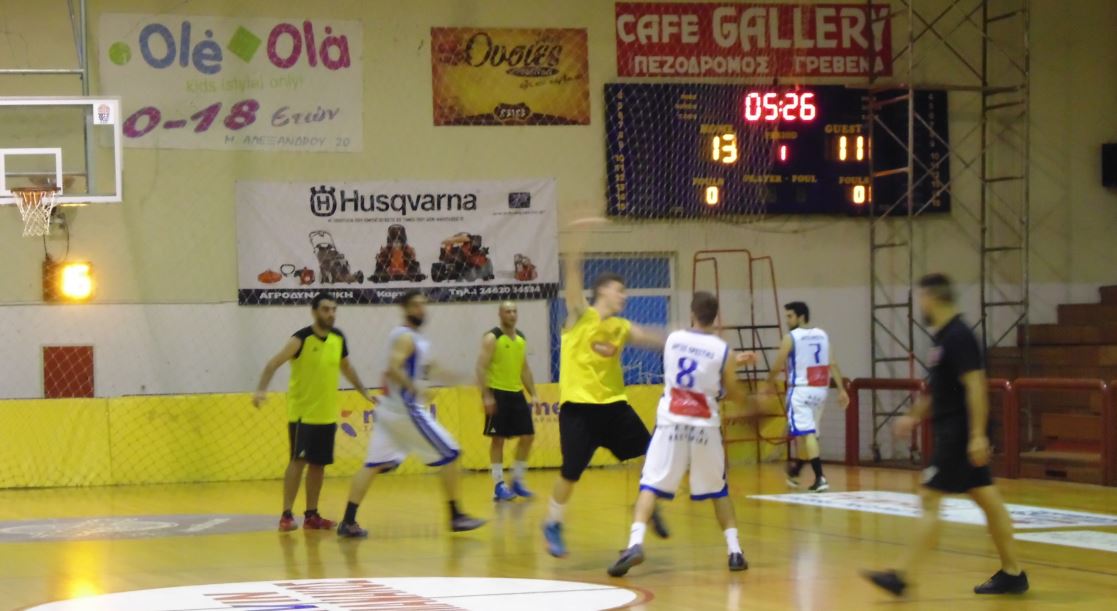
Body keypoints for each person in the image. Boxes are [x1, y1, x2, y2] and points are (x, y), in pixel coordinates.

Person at [862, 273, 1028, 597]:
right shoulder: (943, 338)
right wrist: (912, 417)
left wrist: (977, 435)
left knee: (930, 497)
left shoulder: (959, 336)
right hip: (956, 431)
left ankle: (902, 576)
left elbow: (976, 386)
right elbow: (939, 391)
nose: (919, 304)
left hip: (959, 433)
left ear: (932, 297)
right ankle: (1013, 573)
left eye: (920, 298)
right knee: (988, 500)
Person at [607, 292, 755, 576]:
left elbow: (666, 345)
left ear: (692, 313)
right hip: (704, 427)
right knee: (719, 491)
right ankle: (735, 551)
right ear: (716, 317)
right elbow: (729, 386)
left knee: (649, 484)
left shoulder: (674, 338)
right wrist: (748, 400)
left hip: (671, 423)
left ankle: (635, 543)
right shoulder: (722, 349)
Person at [542, 251, 669, 558]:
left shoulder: (620, 327)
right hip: (579, 409)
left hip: (614, 407)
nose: (624, 296)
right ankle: (553, 523)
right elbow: (573, 288)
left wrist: (693, 338)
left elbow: (652, 337)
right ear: (602, 291)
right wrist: (574, 255)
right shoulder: (580, 317)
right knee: (570, 473)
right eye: (619, 290)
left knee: (651, 456)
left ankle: (647, 506)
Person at [336, 290, 486, 537]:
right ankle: (456, 516)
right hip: (405, 411)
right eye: (415, 305)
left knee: (372, 465)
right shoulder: (405, 337)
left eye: (423, 305)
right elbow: (393, 369)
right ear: (405, 309)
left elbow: (436, 371)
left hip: (388, 411)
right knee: (451, 452)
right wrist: (414, 388)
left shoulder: (418, 341)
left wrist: (467, 379)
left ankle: (347, 522)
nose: (421, 309)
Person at [253, 292, 374, 532]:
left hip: (326, 415)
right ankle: (286, 514)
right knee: (298, 461)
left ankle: (312, 515)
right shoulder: (300, 339)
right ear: (314, 311)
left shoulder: (338, 338)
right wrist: (261, 390)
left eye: (333, 309)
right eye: (326, 309)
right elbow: (272, 364)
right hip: (303, 415)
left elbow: (347, 368)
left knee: (319, 465)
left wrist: (364, 392)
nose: (331, 314)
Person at [767, 301, 849, 492]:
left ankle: (820, 477)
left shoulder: (791, 338)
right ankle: (796, 471)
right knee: (808, 435)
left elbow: (778, 364)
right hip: (820, 390)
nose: (787, 320)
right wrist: (841, 389)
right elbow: (832, 363)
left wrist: (767, 383)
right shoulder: (822, 335)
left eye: (790, 316)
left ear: (801, 316)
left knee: (807, 434)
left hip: (801, 390)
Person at [476, 301, 538, 501]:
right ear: (500, 314)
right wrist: (486, 396)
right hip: (498, 392)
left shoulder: (520, 338)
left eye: (514, 311)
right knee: (498, 439)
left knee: (528, 436)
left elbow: (524, 369)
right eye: (507, 311)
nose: (512, 314)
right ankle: (498, 484)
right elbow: (481, 368)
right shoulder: (492, 338)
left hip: (516, 393)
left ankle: (517, 480)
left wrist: (534, 394)